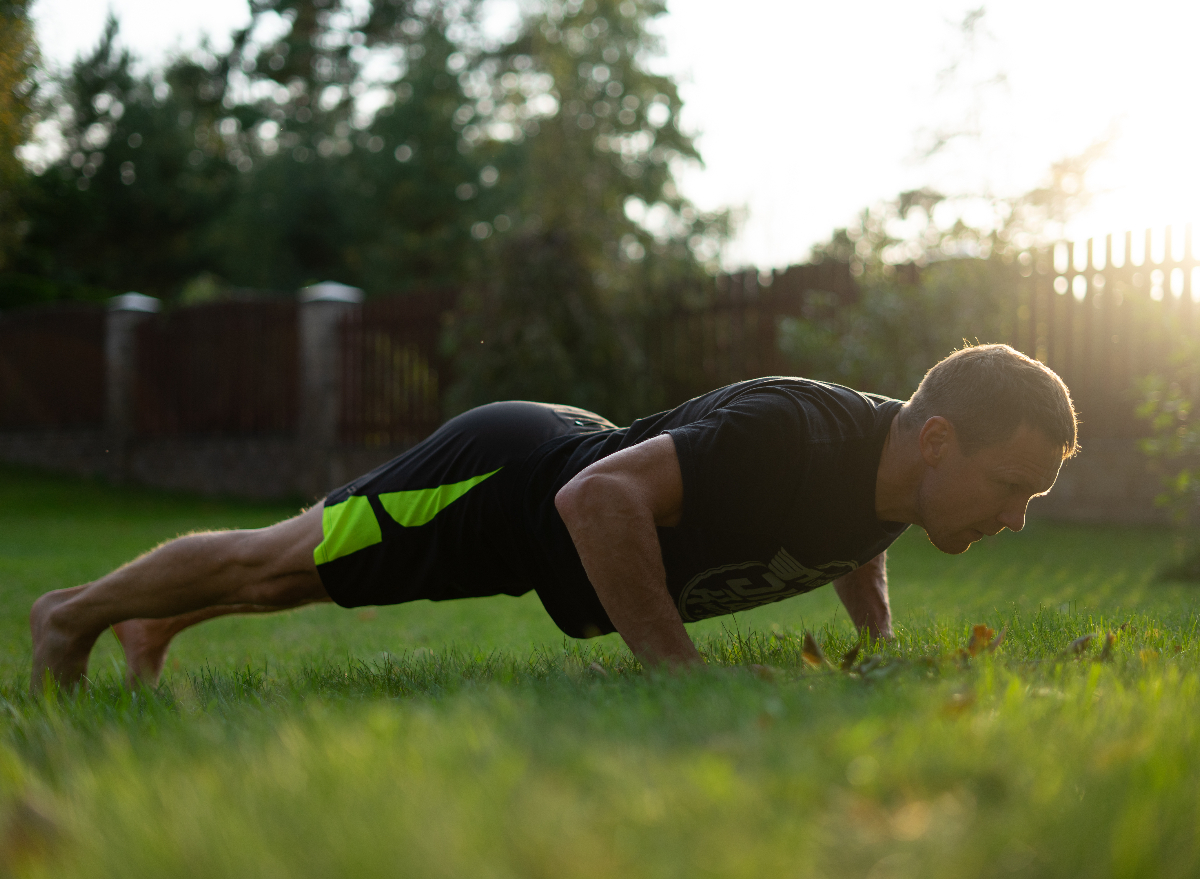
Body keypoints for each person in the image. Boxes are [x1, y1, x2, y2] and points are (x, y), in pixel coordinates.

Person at [30, 343, 1077, 691]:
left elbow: (856, 538)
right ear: (938, 439)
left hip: (550, 528)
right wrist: (675, 675)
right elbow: (598, 495)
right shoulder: (789, 433)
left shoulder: (896, 480)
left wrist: (877, 640)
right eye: (1011, 488)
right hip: (517, 477)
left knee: (313, 580)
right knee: (280, 561)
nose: (1016, 518)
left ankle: (155, 621)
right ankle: (69, 616)